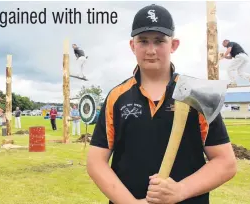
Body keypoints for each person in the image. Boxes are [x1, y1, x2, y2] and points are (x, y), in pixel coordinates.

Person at [87, 4, 237, 204]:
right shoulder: (117, 97)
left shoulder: (196, 93)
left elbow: (225, 162)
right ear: (132, 46)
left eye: (159, 41)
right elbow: (96, 162)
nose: (151, 50)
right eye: (143, 41)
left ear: (173, 44)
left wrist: (180, 191)